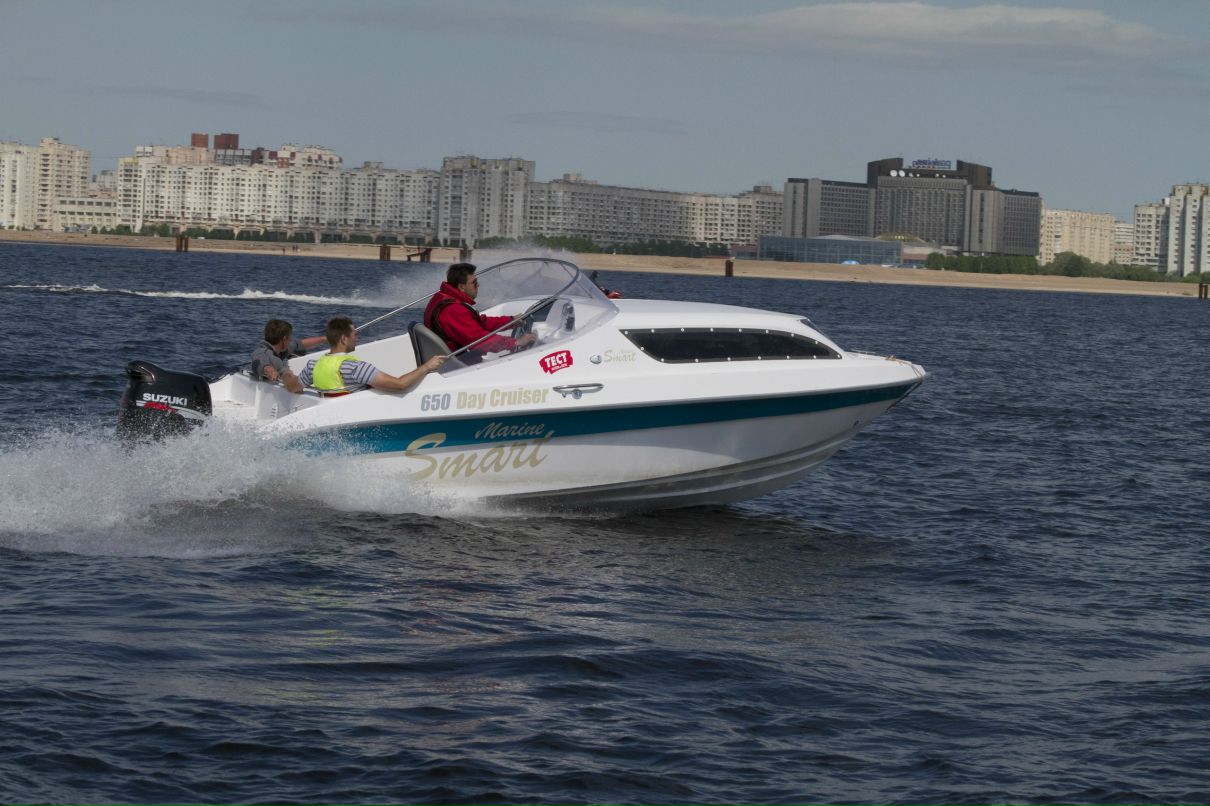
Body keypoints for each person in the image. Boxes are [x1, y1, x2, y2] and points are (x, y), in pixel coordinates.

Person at [298, 316, 445, 395]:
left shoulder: (312, 366)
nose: (357, 338)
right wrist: (427, 366)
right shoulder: (355, 368)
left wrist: (281, 373)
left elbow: (294, 388)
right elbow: (400, 384)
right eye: (354, 335)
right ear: (344, 339)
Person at [423, 262, 536, 358]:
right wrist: (515, 342)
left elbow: (478, 323)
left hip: (455, 359)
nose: (478, 286)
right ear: (462, 287)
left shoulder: (444, 297)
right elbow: (479, 341)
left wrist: (510, 321)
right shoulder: (453, 310)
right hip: (458, 366)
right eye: (474, 283)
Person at [250, 319, 327, 394]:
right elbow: (258, 362)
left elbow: (301, 344)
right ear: (284, 339)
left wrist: (325, 339)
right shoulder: (263, 352)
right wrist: (268, 369)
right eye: (290, 338)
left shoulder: (282, 348)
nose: (291, 340)